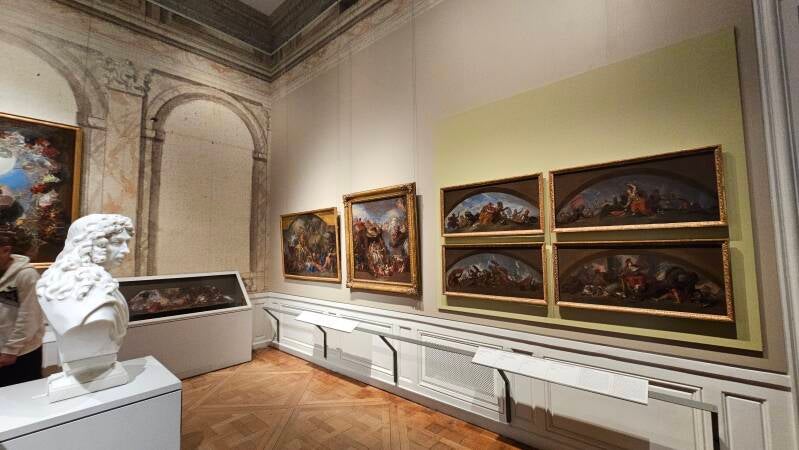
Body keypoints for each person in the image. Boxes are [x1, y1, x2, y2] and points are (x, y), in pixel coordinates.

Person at [0, 227, 43, 387]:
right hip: (3, 348)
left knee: (23, 394)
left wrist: (11, 350)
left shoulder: (26, 275)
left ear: (6, 250)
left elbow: (29, 317)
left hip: (22, 352)